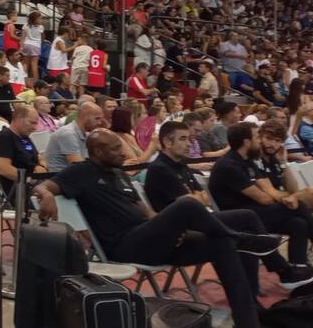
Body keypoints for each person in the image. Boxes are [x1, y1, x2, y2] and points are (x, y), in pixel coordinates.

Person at [34, 128, 287, 328]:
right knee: (187, 205)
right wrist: (46, 196)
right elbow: (43, 187)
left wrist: (167, 228)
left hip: (150, 239)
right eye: (115, 149)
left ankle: (248, 319)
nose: (123, 153)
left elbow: (148, 214)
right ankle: (241, 238)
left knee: (226, 239)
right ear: (98, 152)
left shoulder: (119, 174)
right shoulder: (82, 171)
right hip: (125, 246)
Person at [143, 121, 313, 292]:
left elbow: (202, 198)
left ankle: (296, 269)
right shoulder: (225, 165)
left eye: (189, 138)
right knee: (255, 219)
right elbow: (191, 203)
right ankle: (282, 270)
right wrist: (295, 196)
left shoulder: (245, 161)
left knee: (297, 222)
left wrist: (288, 181)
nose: (189, 144)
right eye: (184, 138)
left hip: (218, 216)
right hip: (191, 226)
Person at [208, 122, 312, 267]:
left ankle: (300, 268)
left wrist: (289, 197)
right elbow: (264, 198)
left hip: (255, 212)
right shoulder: (229, 165)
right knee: (299, 204)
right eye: (258, 137)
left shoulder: (247, 162)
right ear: (246, 142)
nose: (260, 141)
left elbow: (269, 190)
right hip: (237, 218)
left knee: (299, 223)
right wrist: (289, 198)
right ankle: (287, 270)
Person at [0, 104, 46, 198]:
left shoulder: (24, 137)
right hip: (21, 189)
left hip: (36, 183)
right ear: (19, 118)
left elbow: (39, 157)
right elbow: (4, 169)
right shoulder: (4, 138)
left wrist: (42, 166)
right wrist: (31, 179)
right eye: (32, 123)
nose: (35, 127)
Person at [43, 100, 104, 172]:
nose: (100, 123)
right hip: (60, 179)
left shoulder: (86, 134)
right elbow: (77, 166)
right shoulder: (67, 133)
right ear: (84, 117)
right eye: (97, 118)